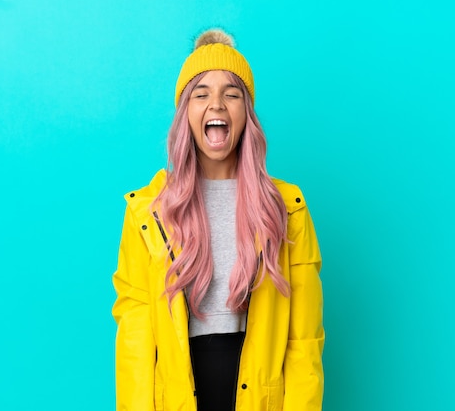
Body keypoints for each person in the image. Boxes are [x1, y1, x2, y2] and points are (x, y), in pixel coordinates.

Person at [112, 28, 324, 411]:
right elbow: (135, 342)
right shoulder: (147, 213)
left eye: (231, 94)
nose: (217, 105)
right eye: (201, 94)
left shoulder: (287, 207)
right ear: (185, 113)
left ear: (247, 113)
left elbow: (304, 340)